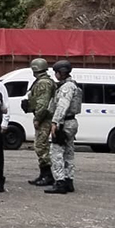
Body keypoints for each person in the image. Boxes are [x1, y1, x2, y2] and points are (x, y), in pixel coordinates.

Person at [45, 60, 83, 195]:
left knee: (56, 152)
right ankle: (68, 180)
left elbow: (62, 105)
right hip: (72, 122)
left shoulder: (66, 87)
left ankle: (60, 182)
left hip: (64, 123)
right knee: (69, 152)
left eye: (56, 72)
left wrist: (55, 122)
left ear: (60, 72)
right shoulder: (74, 85)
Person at [26, 58, 57, 186]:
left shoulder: (43, 83)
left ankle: (47, 175)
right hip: (46, 117)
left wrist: (38, 118)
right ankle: (43, 174)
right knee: (41, 146)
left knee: (41, 146)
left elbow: (43, 103)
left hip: (45, 119)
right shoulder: (45, 81)